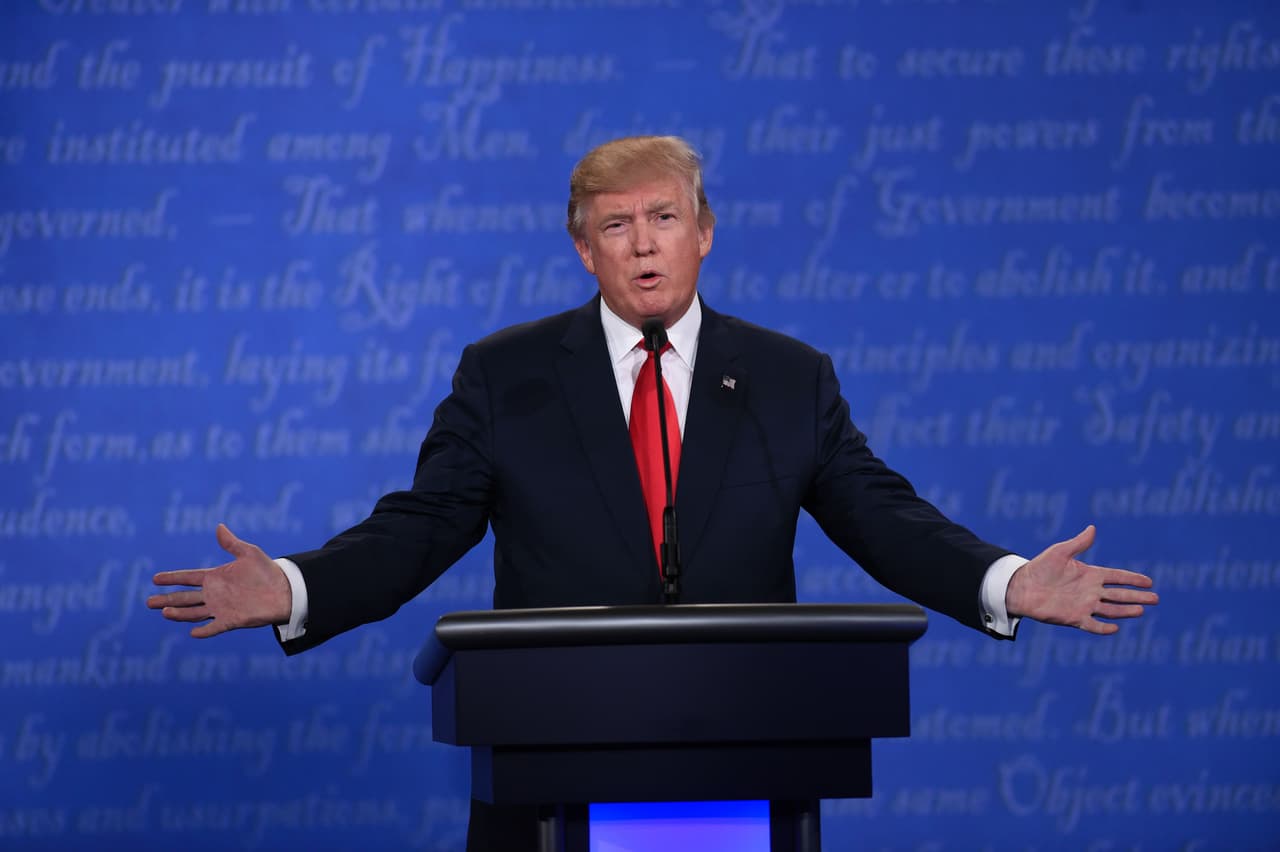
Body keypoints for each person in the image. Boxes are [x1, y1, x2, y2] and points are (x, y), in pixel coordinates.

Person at [148, 135, 1158, 849]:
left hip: (743, 748)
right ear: (582, 250)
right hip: (551, 753)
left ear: (703, 232)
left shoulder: (786, 375)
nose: (641, 243)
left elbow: (879, 514)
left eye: (663, 218)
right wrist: (296, 585)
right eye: (615, 225)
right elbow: (423, 526)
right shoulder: (507, 376)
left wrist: (1007, 581)